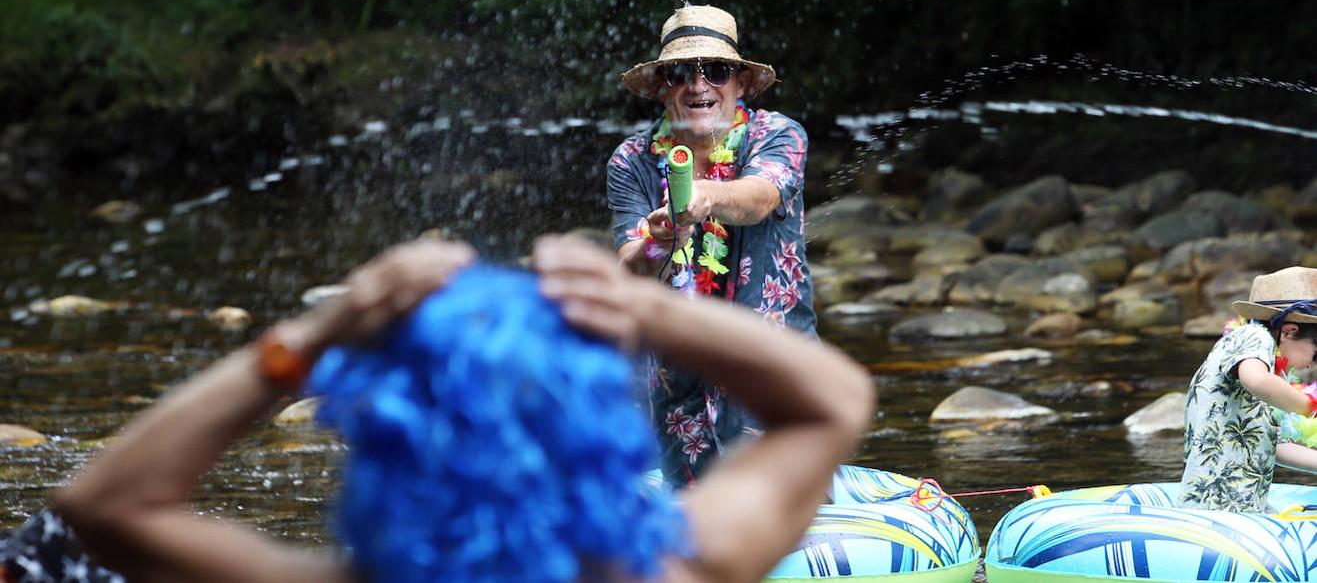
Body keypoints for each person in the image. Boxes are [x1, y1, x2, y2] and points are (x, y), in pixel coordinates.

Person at [2, 235, 873, 582]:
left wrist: (308, 339)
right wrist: (648, 311)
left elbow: (99, 508)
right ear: (593, 422)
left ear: (383, 426)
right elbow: (832, 402)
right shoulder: (674, 571)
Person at [609, 4, 814, 486]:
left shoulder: (777, 134)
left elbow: (760, 197)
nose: (698, 87)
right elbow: (627, 262)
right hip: (678, 391)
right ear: (663, 87)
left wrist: (703, 197)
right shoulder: (631, 161)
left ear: (740, 83)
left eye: (717, 71)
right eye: (681, 73)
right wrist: (658, 242)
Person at [1179, 266, 1317, 511]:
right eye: (1316, 354)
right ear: (1289, 331)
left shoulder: (1270, 371)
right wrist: (1309, 406)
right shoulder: (1253, 336)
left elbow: (1277, 447)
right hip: (1213, 507)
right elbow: (1256, 380)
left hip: (1245, 504)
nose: (1313, 364)